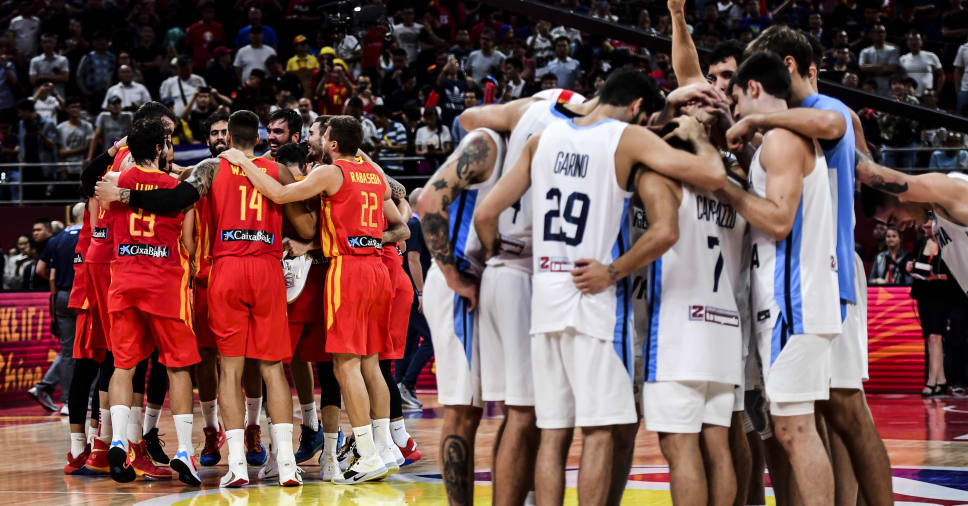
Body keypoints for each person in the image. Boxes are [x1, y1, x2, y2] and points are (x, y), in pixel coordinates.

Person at [472, 67, 726, 505]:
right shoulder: (626, 138)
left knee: (552, 433)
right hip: (595, 299)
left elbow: (485, 214)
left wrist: (498, 251)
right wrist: (613, 270)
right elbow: (712, 175)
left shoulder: (542, 139)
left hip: (546, 296)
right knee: (599, 432)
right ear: (635, 107)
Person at [218, 115, 410, 484]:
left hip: (349, 271)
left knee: (345, 366)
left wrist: (243, 162)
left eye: (319, 134)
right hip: (378, 272)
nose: (314, 138)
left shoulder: (331, 172)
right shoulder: (373, 175)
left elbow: (277, 194)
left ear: (333, 143)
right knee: (372, 365)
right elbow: (398, 208)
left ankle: (368, 454)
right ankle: (386, 448)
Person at [722, 51, 843, 506]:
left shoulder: (781, 141)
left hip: (794, 304)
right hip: (799, 303)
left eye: (735, 100)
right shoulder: (776, 140)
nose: (734, 113)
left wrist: (723, 186)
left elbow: (777, 222)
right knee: (795, 427)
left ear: (753, 88)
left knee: (795, 430)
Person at [102, 119, 201, 487]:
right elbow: (189, 244)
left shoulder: (114, 183)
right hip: (165, 283)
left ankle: (118, 440)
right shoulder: (176, 187)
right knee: (178, 367)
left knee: (124, 365)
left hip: (125, 279)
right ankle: (185, 450)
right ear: (160, 149)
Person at [28, 204, 82, 414]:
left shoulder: (55, 240)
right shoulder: (90, 235)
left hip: (60, 295)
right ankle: (84, 399)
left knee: (68, 352)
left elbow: (42, 271)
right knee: (91, 350)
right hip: (82, 296)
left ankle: (65, 401)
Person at [907, 220, 957, 397]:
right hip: (924, 294)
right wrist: (910, 266)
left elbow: (955, 271)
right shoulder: (921, 243)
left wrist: (939, 276)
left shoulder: (948, 243)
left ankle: (931, 381)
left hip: (941, 294)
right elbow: (915, 261)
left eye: (929, 227)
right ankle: (940, 379)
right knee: (930, 337)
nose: (927, 231)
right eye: (925, 228)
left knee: (936, 336)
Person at [899, 30, 943, 97]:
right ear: (907, 42)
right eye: (911, 40)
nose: (913, 42)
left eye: (916, 39)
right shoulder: (902, 59)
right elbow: (899, 78)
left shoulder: (931, 56)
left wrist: (937, 92)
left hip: (927, 96)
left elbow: (941, 75)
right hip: (908, 96)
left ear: (922, 41)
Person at [858, 24, 899, 95]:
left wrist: (871, 69)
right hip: (869, 88)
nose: (879, 34)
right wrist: (884, 66)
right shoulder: (865, 51)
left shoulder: (893, 50)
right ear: (871, 34)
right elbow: (862, 67)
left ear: (885, 34)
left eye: (882, 32)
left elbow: (892, 68)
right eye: (876, 32)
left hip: (887, 88)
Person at [55, 98, 93, 173]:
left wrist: (65, 152)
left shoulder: (88, 126)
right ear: (67, 109)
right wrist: (63, 170)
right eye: (73, 107)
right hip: (67, 167)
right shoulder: (60, 128)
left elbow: (86, 148)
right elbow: (60, 153)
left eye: (78, 107)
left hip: (82, 166)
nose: (75, 109)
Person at [28, 33, 69, 98]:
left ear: (55, 43)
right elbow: (33, 81)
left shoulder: (63, 60)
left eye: (50, 42)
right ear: (41, 44)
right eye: (45, 42)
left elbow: (65, 78)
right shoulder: (34, 61)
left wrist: (42, 77)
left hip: (58, 97)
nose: (48, 44)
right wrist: (56, 78)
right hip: (40, 98)